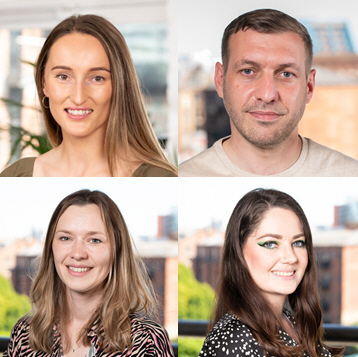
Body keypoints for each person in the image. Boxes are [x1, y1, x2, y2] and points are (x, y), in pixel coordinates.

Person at [179, 9, 358, 177]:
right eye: (248, 71)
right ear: (220, 80)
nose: (267, 95)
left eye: (286, 74)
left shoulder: (350, 174)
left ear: (309, 87)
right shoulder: (183, 177)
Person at [1, 14, 177, 177]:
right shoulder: (15, 176)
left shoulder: (158, 178)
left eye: (97, 78)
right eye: (63, 76)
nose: (78, 97)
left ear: (119, 86)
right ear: (43, 84)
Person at [3, 189, 174, 357]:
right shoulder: (24, 335)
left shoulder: (147, 342)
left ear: (117, 251)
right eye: (65, 238)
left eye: (94, 240)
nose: (77, 253)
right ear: (51, 248)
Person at [200, 188, 344, 357]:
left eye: (298, 243)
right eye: (270, 243)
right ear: (239, 251)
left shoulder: (291, 320)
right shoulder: (233, 339)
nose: (290, 257)